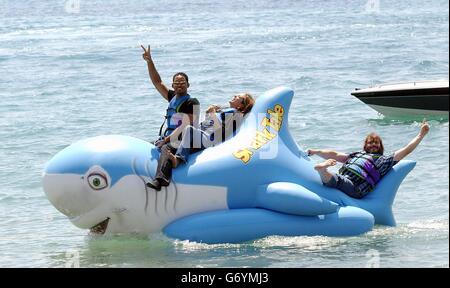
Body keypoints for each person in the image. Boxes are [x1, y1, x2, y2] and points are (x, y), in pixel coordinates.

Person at [307, 120, 430, 199]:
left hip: (357, 188)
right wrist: (316, 151)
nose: (373, 145)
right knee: (336, 177)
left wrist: (421, 135)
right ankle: (323, 169)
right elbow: (334, 154)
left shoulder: (384, 160)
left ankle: (322, 170)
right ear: (365, 146)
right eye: (370, 143)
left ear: (380, 146)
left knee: (337, 179)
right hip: (344, 179)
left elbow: (406, 150)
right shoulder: (356, 154)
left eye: (376, 143)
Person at [141, 45, 200, 191]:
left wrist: (166, 140)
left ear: (188, 85)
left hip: (186, 139)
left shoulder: (192, 102)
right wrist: (149, 61)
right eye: (177, 83)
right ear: (173, 85)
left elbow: (185, 126)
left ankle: (160, 180)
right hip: (170, 136)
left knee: (166, 147)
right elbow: (157, 82)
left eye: (183, 83)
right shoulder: (172, 97)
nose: (180, 85)